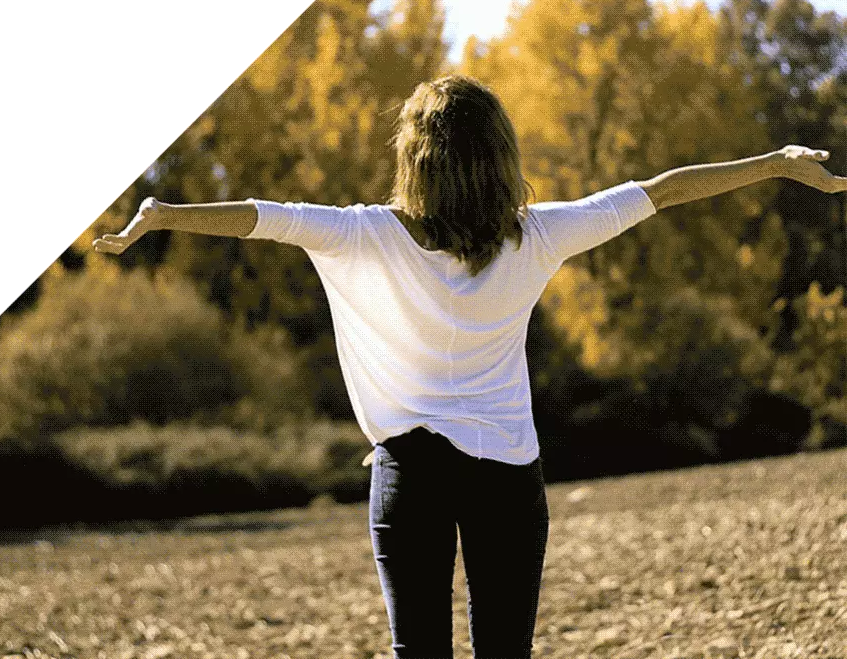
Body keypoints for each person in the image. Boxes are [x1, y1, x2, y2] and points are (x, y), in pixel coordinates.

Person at [93, 74, 845, 658]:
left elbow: (263, 216)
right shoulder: (539, 236)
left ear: (413, 161)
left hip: (409, 475)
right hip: (508, 476)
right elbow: (661, 191)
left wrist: (163, 216)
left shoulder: (368, 236)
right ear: (500, 157)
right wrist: (775, 164)